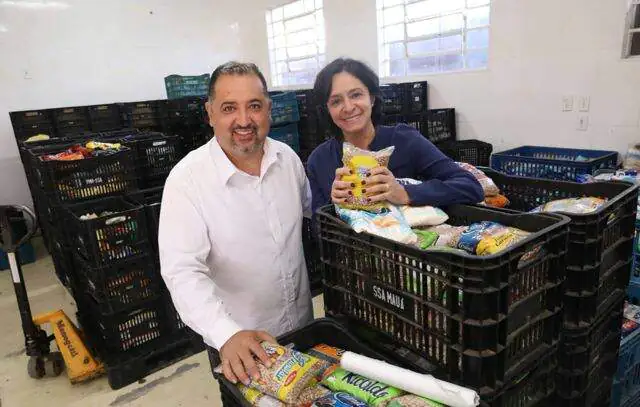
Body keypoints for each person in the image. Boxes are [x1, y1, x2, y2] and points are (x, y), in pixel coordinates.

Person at [158, 61, 313, 387]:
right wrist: (226, 334)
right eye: (229, 108)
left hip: (302, 326)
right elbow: (182, 270)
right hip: (240, 345)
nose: (244, 120)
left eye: (254, 106)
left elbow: (307, 220)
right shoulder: (187, 181)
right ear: (210, 113)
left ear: (269, 109)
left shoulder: (288, 161)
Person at [306, 58, 484, 215]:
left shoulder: (404, 140)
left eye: (356, 95)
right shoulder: (320, 160)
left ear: (372, 98)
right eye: (336, 101)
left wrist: (405, 193)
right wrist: (333, 206)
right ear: (327, 110)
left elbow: (470, 187)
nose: (348, 107)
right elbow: (318, 227)